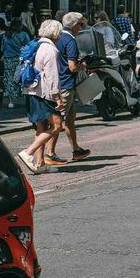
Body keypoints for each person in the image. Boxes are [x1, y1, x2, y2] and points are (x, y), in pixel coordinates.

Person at [18, 20, 66, 175]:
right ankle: (28, 152)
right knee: (57, 125)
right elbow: (53, 76)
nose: (60, 34)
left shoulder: (36, 44)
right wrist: (57, 97)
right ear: (55, 33)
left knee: (41, 127)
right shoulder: (51, 50)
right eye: (59, 32)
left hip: (32, 90)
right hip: (44, 93)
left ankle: (40, 164)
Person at [47, 12, 90, 165]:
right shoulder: (70, 40)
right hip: (65, 84)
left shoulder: (56, 37)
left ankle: (76, 149)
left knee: (70, 118)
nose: (82, 27)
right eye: (81, 24)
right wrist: (82, 66)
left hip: (57, 82)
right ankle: (49, 153)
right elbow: (72, 67)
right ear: (74, 25)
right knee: (58, 121)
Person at [3, 22, 32, 107]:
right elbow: (28, 46)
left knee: (9, 79)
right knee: (22, 78)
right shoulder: (23, 34)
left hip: (8, 59)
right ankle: (24, 97)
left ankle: (11, 101)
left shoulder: (6, 35)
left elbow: (3, 47)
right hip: (20, 59)